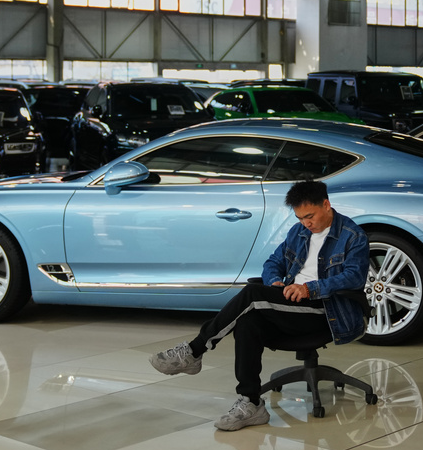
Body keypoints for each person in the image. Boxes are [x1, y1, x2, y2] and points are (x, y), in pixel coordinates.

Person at [149, 179, 370, 431]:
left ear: (326, 205)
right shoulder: (298, 232)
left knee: (252, 293)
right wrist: (274, 281)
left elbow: (353, 277)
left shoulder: (353, 236)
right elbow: (272, 262)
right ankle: (251, 403)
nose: (306, 224)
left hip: (327, 311)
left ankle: (195, 350)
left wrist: (309, 288)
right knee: (248, 321)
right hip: (291, 305)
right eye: (300, 218)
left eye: (310, 216)